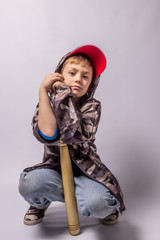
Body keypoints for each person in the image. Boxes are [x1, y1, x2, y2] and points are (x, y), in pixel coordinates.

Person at [18, 44, 125, 227]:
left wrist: (63, 92)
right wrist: (43, 91)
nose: (78, 80)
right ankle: (41, 202)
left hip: (86, 171)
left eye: (85, 76)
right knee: (30, 184)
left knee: (99, 203)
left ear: (92, 83)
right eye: (72, 73)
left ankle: (93, 197)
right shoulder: (47, 103)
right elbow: (48, 134)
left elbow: (72, 134)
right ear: (59, 74)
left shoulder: (92, 107)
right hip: (54, 170)